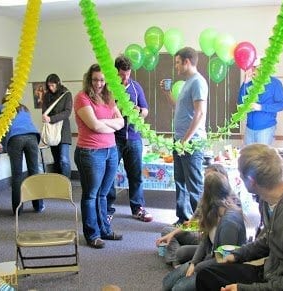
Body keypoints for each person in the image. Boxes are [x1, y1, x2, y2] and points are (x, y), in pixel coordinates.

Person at [196, 144, 283, 291]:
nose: (239, 178)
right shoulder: (268, 202)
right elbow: (269, 240)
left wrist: (243, 289)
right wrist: (237, 255)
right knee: (207, 275)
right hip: (271, 271)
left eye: (240, 175)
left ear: (251, 180)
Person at [162, 171, 247, 291]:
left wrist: (197, 267)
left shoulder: (229, 223)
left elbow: (222, 261)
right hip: (209, 258)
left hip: (222, 269)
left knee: (178, 288)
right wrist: (193, 263)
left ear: (208, 194)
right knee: (167, 283)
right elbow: (205, 241)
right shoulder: (213, 211)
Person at [74, 64, 124, 249]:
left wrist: (103, 122)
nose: (99, 83)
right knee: (91, 195)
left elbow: (121, 123)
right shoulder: (82, 97)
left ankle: (105, 230)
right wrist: (108, 123)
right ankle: (92, 234)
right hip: (90, 152)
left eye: (102, 79)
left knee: (103, 194)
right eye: (95, 79)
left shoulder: (108, 97)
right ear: (89, 79)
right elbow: (94, 126)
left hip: (111, 150)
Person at [160, 47, 208, 225]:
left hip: (191, 143)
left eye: (178, 63)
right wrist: (167, 94)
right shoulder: (188, 82)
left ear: (187, 62)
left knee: (194, 184)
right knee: (180, 181)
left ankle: (200, 224)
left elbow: (200, 114)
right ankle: (184, 219)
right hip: (180, 141)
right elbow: (180, 108)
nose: (176, 67)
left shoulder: (197, 82)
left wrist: (185, 140)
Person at [156, 164, 237, 267]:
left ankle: (176, 258)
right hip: (201, 234)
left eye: (209, 176)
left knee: (181, 252)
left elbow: (204, 227)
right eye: (206, 176)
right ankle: (175, 261)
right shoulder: (206, 196)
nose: (206, 180)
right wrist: (173, 233)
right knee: (167, 231)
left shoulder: (231, 199)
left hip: (213, 243)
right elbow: (193, 223)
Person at [106, 55, 152, 223]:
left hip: (134, 137)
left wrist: (138, 110)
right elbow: (104, 110)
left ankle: (137, 208)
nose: (125, 78)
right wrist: (118, 108)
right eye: (122, 75)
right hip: (113, 138)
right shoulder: (109, 87)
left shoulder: (136, 87)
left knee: (136, 175)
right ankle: (107, 209)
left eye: (127, 74)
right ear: (115, 72)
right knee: (109, 174)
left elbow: (145, 111)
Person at [0, 93, 44, 215]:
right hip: (32, 137)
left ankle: (18, 210)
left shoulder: (2, 108)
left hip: (15, 139)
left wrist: (5, 145)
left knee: (17, 175)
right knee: (34, 172)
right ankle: (38, 206)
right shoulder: (24, 108)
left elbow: (1, 129)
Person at [238, 57, 283, 145]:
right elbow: (240, 103)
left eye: (255, 67)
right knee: (248, 157)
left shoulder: (275, 83)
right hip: (249, 128)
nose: (253, 70)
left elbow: (282, 105)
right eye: (252, 67)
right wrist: (245, 82)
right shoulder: (249, 83)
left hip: (266, 128)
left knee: (263, 157)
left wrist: (260, 107)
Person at [42, 74, 73, 178]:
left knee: (64, 159)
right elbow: (45, 112)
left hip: (63, 130)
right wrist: (47, 118)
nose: (51, 88)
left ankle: (66, 183)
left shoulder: (66, 94)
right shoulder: (46, 96)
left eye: (53, 85)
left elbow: (67, 112)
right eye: (49, 86)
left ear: (58, 83)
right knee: (56, 159)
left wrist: (51, 119)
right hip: (52, 131)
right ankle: (58, 184)